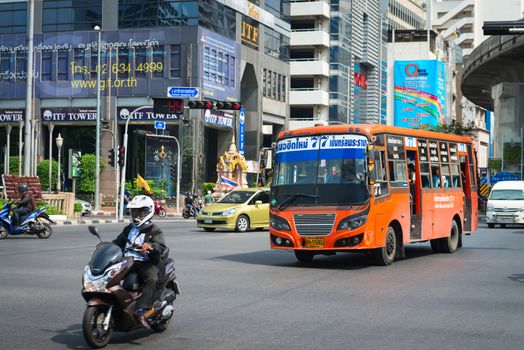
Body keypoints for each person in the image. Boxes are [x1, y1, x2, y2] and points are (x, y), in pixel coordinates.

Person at [111, 195, 167, 329]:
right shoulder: (129, 229)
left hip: (147, 263)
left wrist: (151, 246)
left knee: (151, 279)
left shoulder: (154, 229)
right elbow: (118, 242)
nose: (137, 214)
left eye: (141, 211)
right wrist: (105, 246)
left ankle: (143, 310)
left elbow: (161, 246)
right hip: (128, 263)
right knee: (110, 277)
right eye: (135, 211)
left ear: (148, 212)